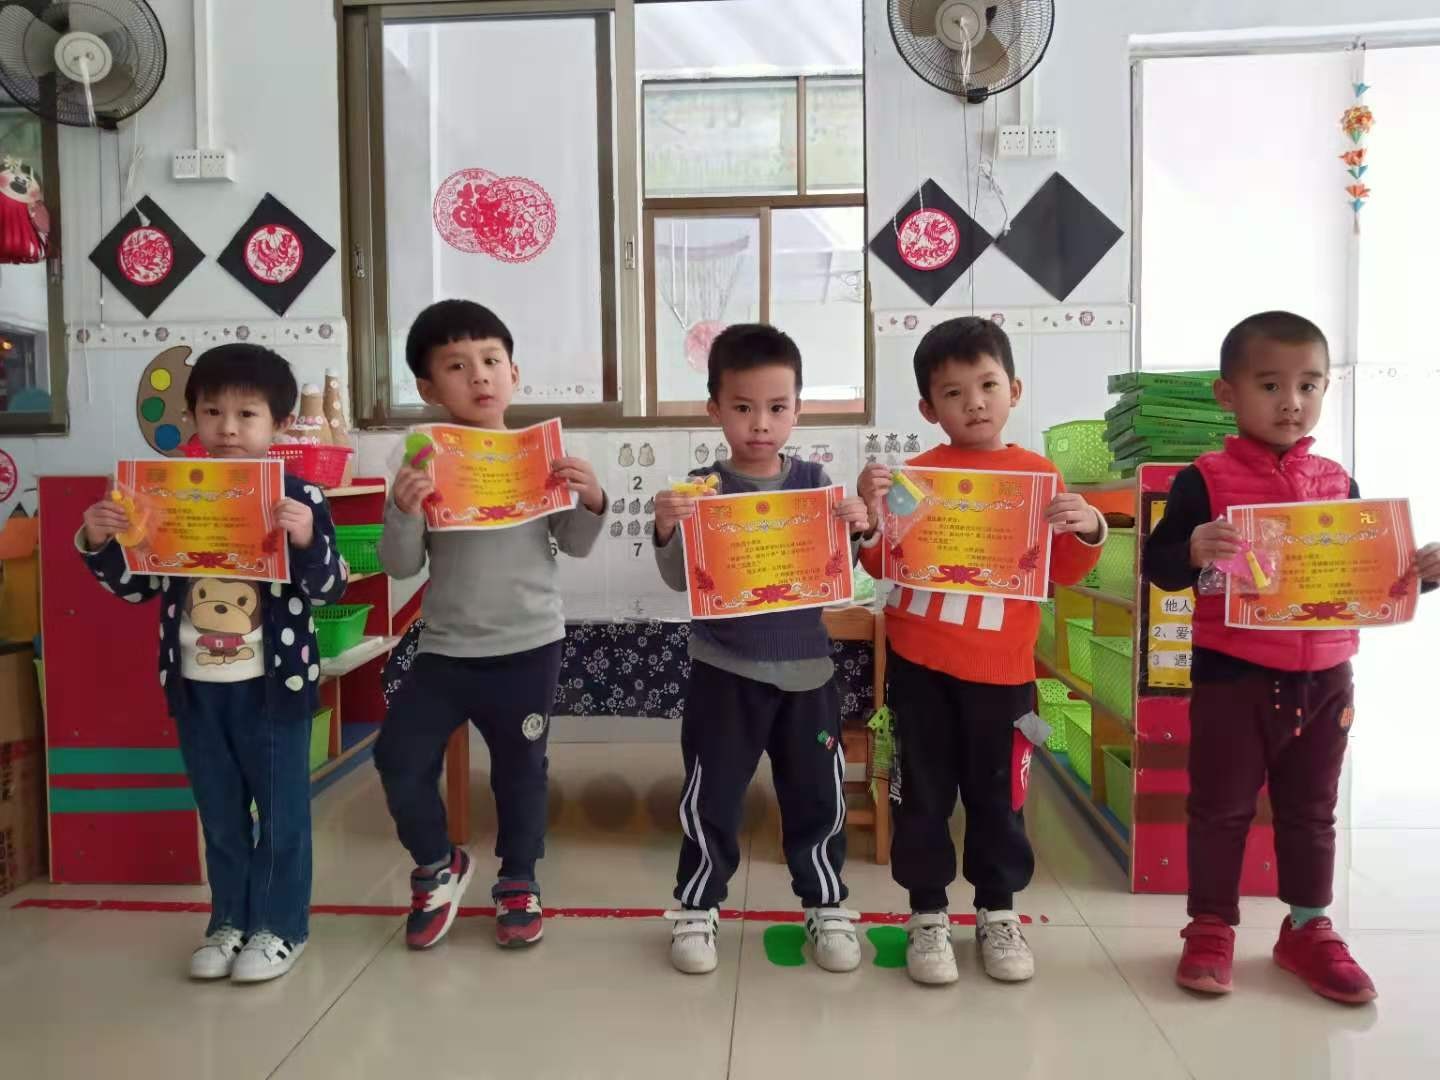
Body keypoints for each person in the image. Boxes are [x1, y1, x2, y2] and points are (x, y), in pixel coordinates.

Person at [1144, 311, 1440, 1003]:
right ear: (1228, 393)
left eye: (1308, 385)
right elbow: (1160, 567)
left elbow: (1366, 581)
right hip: (1232, 675)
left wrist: (1418, 574)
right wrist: (1192, 550)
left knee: (1312, 809)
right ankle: (1210, 926)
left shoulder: (1338, 482)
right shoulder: (1203, 481)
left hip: (1326, 676)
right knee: (1220, 807)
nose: (1291, 402)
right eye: (1270, 384)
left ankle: (1307, 927)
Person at [79, 344, 348, 983]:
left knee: (282, 818)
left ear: (280, 424)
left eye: (247, 414)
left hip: (274, 686)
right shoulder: (165, 495)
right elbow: (138, 588)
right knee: (221, 817)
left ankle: (281, 927)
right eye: (212, 412)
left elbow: (330, 586)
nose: (228, 428)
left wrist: (305, 537)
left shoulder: (300, 494)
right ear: (192, 416)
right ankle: (229, 921)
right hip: (195, 686)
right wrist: (98, 537)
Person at [857, 316, 1106, 987]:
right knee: (922, 796)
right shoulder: (914, 477)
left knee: (1000, 799)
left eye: (988, 385)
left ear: (1013, 390)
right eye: (953, 392)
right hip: (920, 669)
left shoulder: (1039, 476)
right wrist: (871, 519)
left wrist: (1089, 526)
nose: (974, 402)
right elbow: (883, 564)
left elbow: (1063, 570)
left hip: (1003, 674)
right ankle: (927, 914)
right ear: (927, 408)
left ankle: (998, 912)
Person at [374, 300, 607, 951]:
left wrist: (591, 498)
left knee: (520, 769)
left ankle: (519, 879)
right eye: (455, 366)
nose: (478, 375)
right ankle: (436, 863)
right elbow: (400, 565)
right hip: (445, 650)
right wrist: (403, 509)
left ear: (514, 373)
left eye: (491, 360)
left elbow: (576, 543)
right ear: (428, 389)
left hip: (529, 646)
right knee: (397, 757)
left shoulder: (539, 456)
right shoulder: (423, 463)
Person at [652, 323, 871, 975]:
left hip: (807, 672)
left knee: (817, 796)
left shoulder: (814, 482)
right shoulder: (701, 488)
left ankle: (825, 903)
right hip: (725, 671)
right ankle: (698, 906)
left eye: (777, 407)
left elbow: (838, 571)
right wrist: (666, 528)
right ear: (714, 408)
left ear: (798, 408)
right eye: (743, 407)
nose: (760, 424)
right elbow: (680, 580)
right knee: (712, 796)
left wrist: (857, 528)